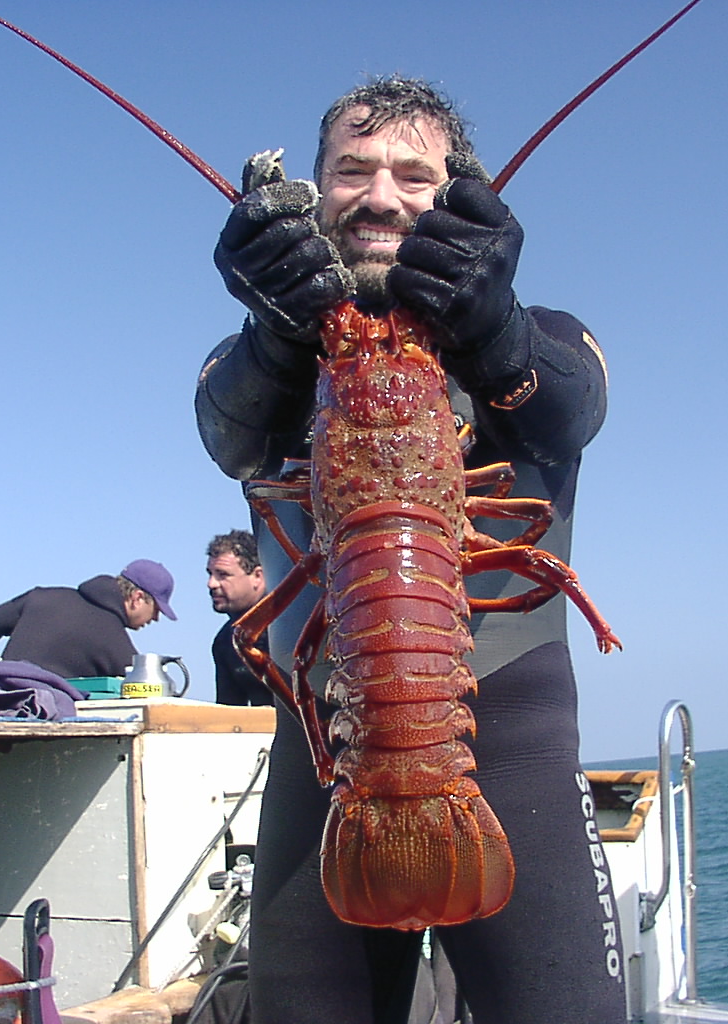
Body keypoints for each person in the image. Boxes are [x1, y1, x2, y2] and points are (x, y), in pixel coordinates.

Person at [195, 76, 623, 1023]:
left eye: (413, 174)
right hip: (333, 762)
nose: (381, 194)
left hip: (505, 755)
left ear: (454, 192)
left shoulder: (539, 336)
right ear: (310, 193)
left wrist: (495, 329)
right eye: (351, 169)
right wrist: (275, 333)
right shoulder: (266, 358)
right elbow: (228, 428)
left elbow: (571, 404)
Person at [0, 559, 177, 680]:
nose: (156, 618)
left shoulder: (42, 597)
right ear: (137, 598)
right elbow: (140, 689)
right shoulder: (113, 639)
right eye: (156, 608)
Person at [206, 529, 272, 707]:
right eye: (210, 574)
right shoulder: (224, 641)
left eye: (223, 575)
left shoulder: (289, 627)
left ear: (257, 576)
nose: (211, 583)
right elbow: (229, 714)